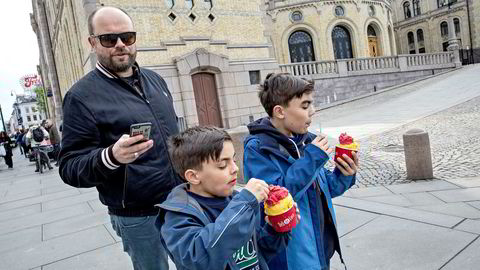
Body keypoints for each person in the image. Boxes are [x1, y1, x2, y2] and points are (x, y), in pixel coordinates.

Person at [58, 6, 181, 270]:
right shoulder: (81, 97)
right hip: (139, 216)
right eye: (108, 39)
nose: (120, 45)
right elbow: (69, 167)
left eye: (127, 37)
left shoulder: (156, 80)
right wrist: (111, 156)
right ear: (92, 43)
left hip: (182, 202)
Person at [243, 73, 359, 270]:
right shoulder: (258, 149)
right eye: (305, 106)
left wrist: (344, 173)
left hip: (319, 247)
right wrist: (313, 158)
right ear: (280, 111)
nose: (312, 111)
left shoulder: (306, 140)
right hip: (291, 256)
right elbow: (278, 196)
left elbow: (324, 189)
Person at [157, 126, 294, 270]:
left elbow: (254, 254)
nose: (235, 168)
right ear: (193, 176)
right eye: (223, 165)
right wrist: (244, 204)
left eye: (234, 160)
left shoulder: (236, 201)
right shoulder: (177, 216)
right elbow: (199, 258)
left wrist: (276, 229)